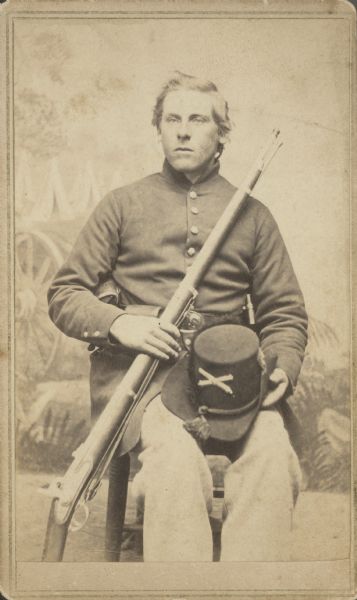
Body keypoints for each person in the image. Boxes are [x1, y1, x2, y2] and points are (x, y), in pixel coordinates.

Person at [48, 71, 308, 562]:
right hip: (141, 381)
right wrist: (121, 324)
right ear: (159, 128)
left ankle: (249, 588)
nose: (183, 131)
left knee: (272, 453)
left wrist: (281, 364)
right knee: (173, 462)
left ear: (220, 135)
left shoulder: (253, 216)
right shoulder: (122, 204)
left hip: (231, 380)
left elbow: (284, 312)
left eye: (197, 119)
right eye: (172, 119)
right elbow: (65, 293)